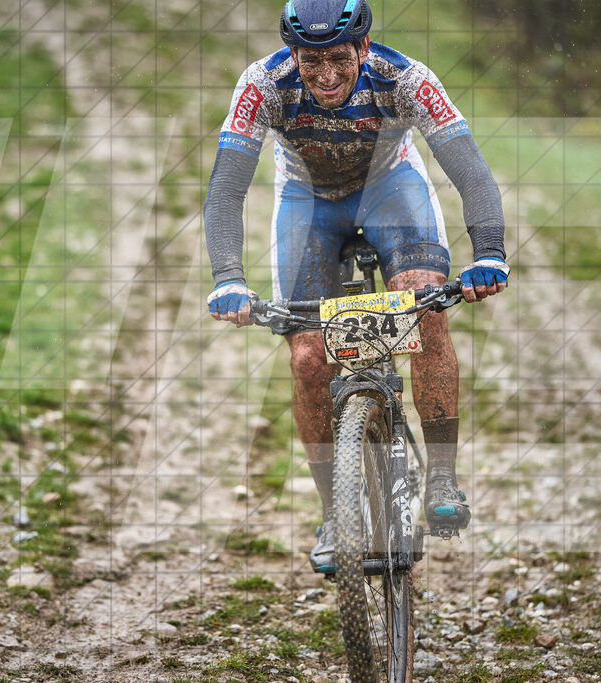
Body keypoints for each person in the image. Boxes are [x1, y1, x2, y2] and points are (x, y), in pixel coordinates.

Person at [203, 0, 508, 572]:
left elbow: (470, 168)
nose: (325, 76)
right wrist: (228, 280)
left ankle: (441, 478)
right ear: (292, 55)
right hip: (307, 202)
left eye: (339, 58)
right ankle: (334, 513)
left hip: (392, 189)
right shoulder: (262, 85)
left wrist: (489, 251)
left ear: (363, 49)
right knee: (308, 356)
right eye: (310, 60)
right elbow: (225, 192)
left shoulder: (406, 78)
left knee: (426, 306)